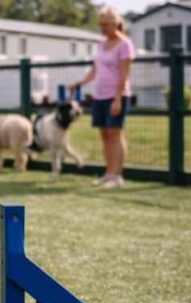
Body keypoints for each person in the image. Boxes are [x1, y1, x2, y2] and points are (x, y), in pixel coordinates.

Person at [71, 5, 135, 188]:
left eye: (105, 24)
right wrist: (79, 83)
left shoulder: (125, 44)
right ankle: (108, 174)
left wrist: (117, 98)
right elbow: (95, 70)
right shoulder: (101, 44)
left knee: (115, 134)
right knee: (105, 135)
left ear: (115, 23)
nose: (102, 28)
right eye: (100, 25)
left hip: (116, 96)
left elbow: (124, 75)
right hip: (99, 96)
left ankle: (117, 176)